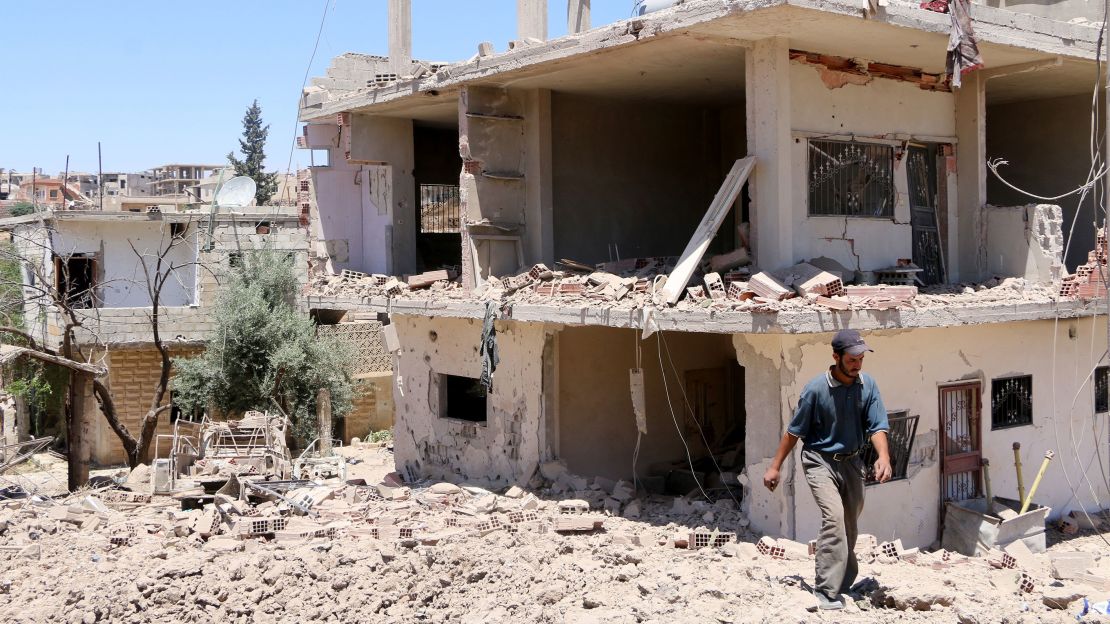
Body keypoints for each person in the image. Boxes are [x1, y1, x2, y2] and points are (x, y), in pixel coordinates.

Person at [762, 328, 892, 611]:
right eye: (852, 358)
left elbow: (877, 426)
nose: (857, 363)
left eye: (861, 358)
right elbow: (794, 432)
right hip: (819, 460)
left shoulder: (867, 385)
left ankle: (844, 582)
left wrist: (883, 456)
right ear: (836, 357)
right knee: (833, 519)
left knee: (849, 524)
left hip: (853, 462)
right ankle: (825, 591)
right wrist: (775, 468)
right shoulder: (815, 389)